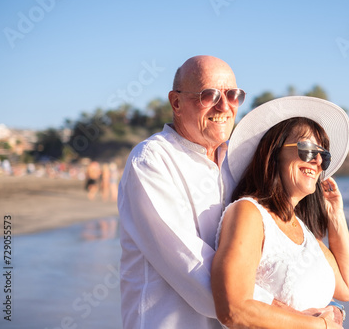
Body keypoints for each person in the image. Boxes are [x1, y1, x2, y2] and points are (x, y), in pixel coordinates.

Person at [117, 55, 272, 328]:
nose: (224, 106)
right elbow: (190, 265)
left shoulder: (238, 164)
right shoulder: (152, 159)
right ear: (176, 102)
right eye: (209, 95)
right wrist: (285, 311)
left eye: (233, 95)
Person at [212, 96, 349, 328]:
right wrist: (322, 326)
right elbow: (234, 309)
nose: (318, 161)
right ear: (274, 152)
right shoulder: (249, 214)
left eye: (324, 155)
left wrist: (335, 214)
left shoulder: (301, 229)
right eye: (309, 150)